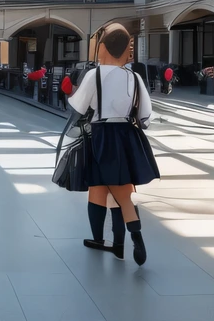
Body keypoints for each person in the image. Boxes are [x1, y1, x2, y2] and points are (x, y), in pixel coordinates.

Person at [66, 23, 158, 266]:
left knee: (101, 186)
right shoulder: (135, 77)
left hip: (101, 134)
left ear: (103, 48)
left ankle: (131, 233)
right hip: (128, 136)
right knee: (120, 189)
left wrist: (71, 89)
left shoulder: (94, 75)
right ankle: (119, 244)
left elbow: (77, 106)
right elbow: (146, 116)